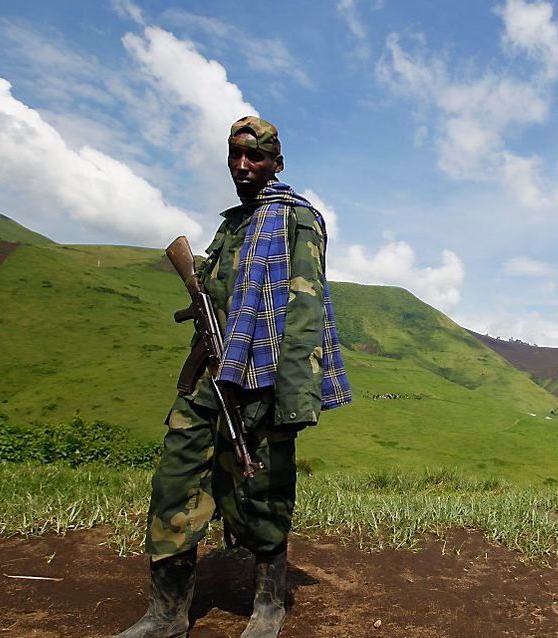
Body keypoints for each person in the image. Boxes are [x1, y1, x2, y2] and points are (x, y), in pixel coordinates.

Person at [115, 116, 351, 638]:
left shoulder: (297, 221)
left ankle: (268, 606)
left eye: (257, 157)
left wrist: (292, 401)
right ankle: (167, 614)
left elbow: (305, 311)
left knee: (261, 489)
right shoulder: (232, 226)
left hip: (260, 381)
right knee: (174, 482)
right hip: (210, 379)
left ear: (277, 162)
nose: (244, 166)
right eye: (236, 157)